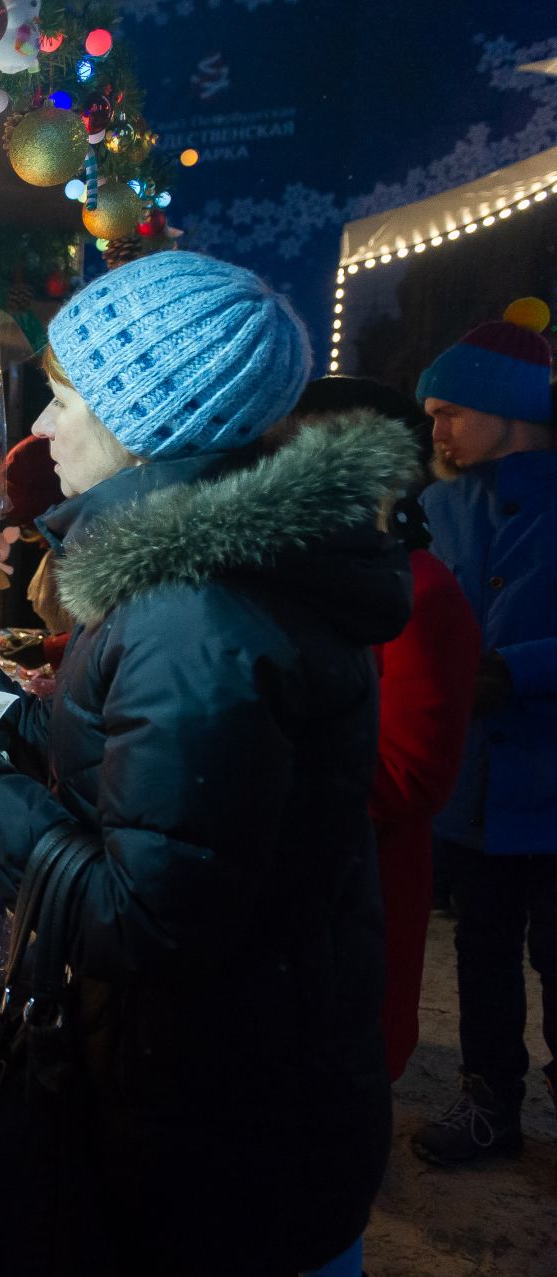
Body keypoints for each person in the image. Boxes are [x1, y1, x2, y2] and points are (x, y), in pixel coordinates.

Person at [0, 251, 413, 1274]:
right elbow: (89, 754)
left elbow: (143, 919)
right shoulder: (190, 576)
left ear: (148, 423)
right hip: (233, 1104)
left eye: (63, 398)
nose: (41, 428)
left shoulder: (196, 613)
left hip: (221, 1141)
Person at [292, 375, 479, 1084]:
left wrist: (258, 771)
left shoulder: (421, 594)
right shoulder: (325, 575)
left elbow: (410, 775)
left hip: (355, 894)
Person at [407, 310, 557, 1165]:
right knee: (481, 945)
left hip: (548, 772)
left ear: (509, 407)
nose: (437, 428)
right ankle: (489, 1098)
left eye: (451, 410)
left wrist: (519, 667)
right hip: (472, 786)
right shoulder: (437, 504)